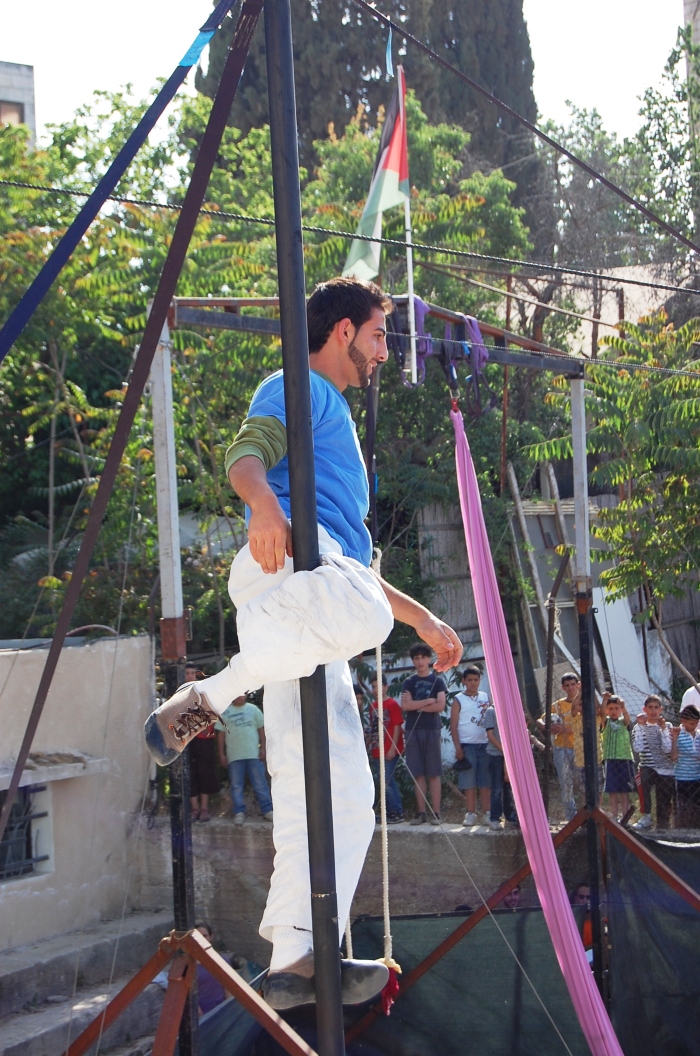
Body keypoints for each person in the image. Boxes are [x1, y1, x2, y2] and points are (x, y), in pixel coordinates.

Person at [144, 277, 463, 1010]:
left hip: (311, 615)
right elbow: (247, 452)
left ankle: (293, 957)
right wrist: (260, 504)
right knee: (367, 616)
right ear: (344, 330)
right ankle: (213, 694)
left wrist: (423, 620)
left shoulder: (338, 423)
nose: (385, 352)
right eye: (380, 335)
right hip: (284, 574)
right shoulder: (299, 386)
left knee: (344, 795)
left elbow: (354, 575)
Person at [402, 642, 447, 826]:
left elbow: (441, 705)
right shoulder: (409, 682)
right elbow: (405, 706)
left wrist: (418, 704)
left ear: (429, 659)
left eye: (423, 657)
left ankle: (435, 812)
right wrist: (428, 701)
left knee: (433, 772)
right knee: (417, 773)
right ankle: (421, 813)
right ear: (413, 660)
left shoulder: (438, 681)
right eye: (416, 658)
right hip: (413, 730)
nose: (420, 661)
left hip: (432, 729)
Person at [216, 695, 273, 825]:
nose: (239, 696)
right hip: (234, 756)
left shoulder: (253, 710)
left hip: (254, 754)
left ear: (246, 694)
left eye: (241, 693)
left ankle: (267, 810)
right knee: (236, 786)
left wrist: (263, 748)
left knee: (260, 784)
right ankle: (239, 812)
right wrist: (221, 754)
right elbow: (220, 735)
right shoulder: (225, 712)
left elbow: (261, 730)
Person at [451, 665, 491, 827]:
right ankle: (471, 813)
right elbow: (453, 725)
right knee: (469, 781)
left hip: (485, 744)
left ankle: (488, 812)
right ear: (464, 681)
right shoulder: (458, 699)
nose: (473, 683)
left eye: (476, 680)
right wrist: (458, 748)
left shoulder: (485, 696)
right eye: (470, 680)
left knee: (485, 780)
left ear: (480, 680)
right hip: (467, 745)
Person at [538, 672, 579, 821]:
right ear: (563, 687)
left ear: (578, 685)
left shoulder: (584, 703)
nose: (570, 688)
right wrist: (548, 726)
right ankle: (572, 816)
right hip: (561, 747)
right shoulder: (557, 705)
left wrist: (565, 729)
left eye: (573, 684)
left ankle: (589, 814)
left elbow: (590, 726)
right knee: (566, 783)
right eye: (567, 685)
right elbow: (540, 720)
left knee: (584, 783)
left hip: (581, 748)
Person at [631, 695, 674, 831]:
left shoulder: (667, 726)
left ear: (661, 709)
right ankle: (646, 816)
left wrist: (663, 730)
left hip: (665, 768)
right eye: (650, 707)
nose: (653, 711)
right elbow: (638, 748)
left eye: (656, 707)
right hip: (648, 766)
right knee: (643, 781)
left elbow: (667, 748)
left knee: (664, 796)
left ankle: (663, 823)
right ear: (645, 709)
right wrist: (640, 727)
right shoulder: (639, 726)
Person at [185, 664, 219, 823]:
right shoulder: (179, 693)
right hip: (186, 740)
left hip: (204, 739)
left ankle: (204, 808)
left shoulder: (205, 691)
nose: (190, 675)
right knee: (190, 773)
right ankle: (194, 808)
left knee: (205, 773)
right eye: (187, 673)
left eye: (193, 673)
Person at [369, 674, 404, 824]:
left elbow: (397, 726)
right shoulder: (373, 706)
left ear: (386, 686)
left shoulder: (392, 704)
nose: (376, 689)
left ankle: (397, 811)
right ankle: (388, 812)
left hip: (389, 749)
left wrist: (393, 748)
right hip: (377, 749)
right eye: (373, 686)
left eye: (379, 686)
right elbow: (373, 729)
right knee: (382, 781)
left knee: (388, 780)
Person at [483, 699, 518, 831]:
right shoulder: (491, 711)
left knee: (509, 787)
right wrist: (504, 750)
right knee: (496, 789)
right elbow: (490, 735)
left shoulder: (511, 711)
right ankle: (495, 818)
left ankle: (510, 817)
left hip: (510, 754)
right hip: (495, 754)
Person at [600, 694, 635, 821]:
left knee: (624, 791)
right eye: (611, 708)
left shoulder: (623, 723)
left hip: (625, 759)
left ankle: (625, 817)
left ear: (620, 710)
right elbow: (602, 715)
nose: (614, 711)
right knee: (612, 790)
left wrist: (624, 706)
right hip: (610, 759)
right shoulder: (606, 723)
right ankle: (614, 816)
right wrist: (604, 700)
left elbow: (627, 719)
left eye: (617, 708)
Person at [669, 704, 700, 829]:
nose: (694, 727)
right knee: (683, 804)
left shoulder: (698, 735)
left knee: (696, 804)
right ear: (683, 721)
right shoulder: (678, 734)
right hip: (682, 777)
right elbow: (673, 757)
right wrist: (675, 740)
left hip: (697, 776)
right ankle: (682, 828)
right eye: (692, 724)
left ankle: (696, 827)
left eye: (696, 724)